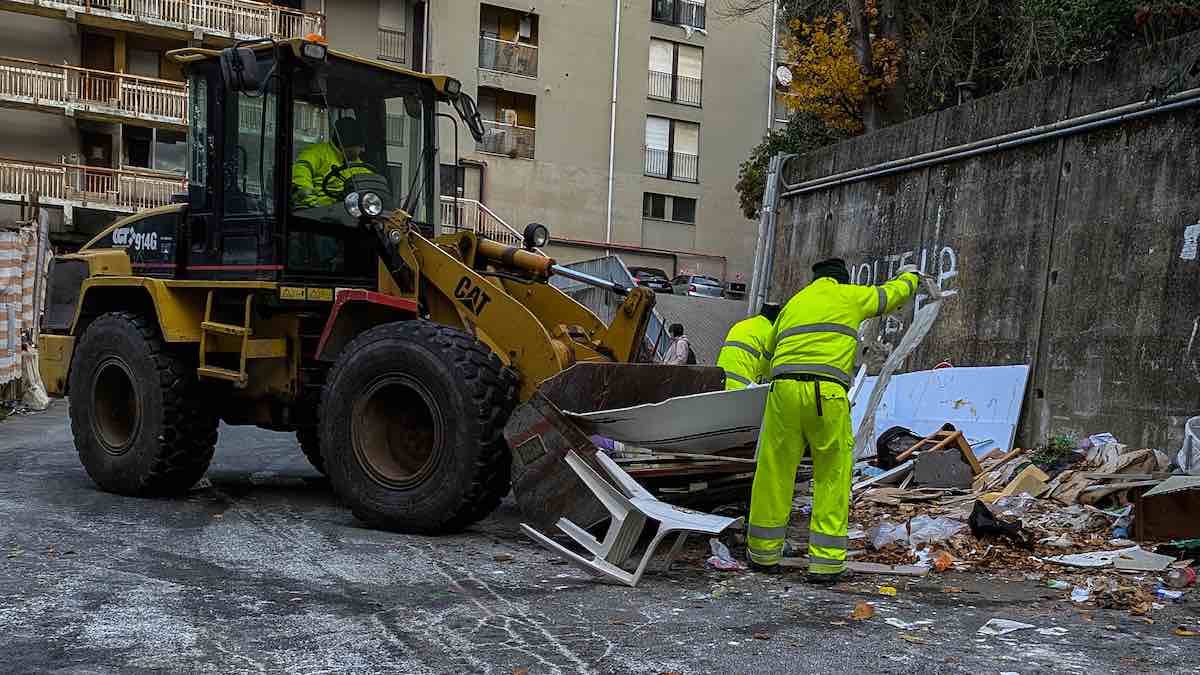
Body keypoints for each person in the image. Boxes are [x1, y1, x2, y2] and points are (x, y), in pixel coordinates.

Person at [747, 258, 920, 582]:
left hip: (783, 392)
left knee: (774, 472)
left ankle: (762, 554)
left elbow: (767, 356)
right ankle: (825, 564)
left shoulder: (794, 304)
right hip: (826, 393)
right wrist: (910, 278)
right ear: (840, 279)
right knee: (830, 474)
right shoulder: (849, 296)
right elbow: (889, 296)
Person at [292, 117, 372, 208]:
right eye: (360, 146)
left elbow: (372, 187)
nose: (363, 150)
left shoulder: (360, 166)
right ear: (347, 144)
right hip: (317, 212)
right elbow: (300, 182)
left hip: (349, 213)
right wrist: (315, 206)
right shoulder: (315, 154)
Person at [717, 302, 781, 390]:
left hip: (719, 383)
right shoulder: (770, 333)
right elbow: (767, 369)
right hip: (741, 389)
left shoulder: (739, 325)